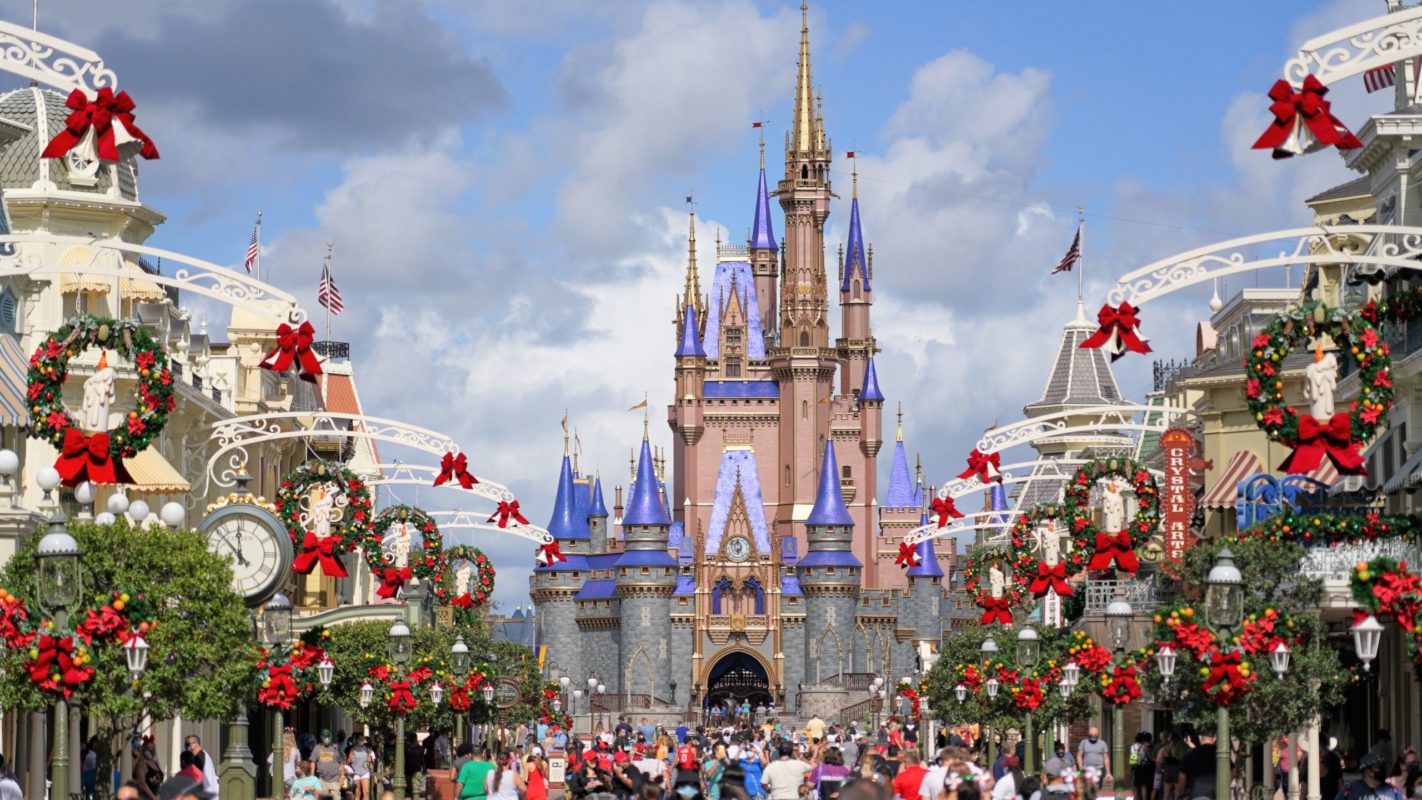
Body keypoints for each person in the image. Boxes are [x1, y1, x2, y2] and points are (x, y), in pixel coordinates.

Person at [1178, 732, 1218, 800]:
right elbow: (1231, 771)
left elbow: (1182, 776)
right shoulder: (1219, 754)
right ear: (1214, 739)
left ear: (1200, 738)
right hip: (1216, 794)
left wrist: (1182, 794)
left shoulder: (1190, 754)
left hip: (1196, 793)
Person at [311, 729, 344, 799]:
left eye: (328, 736)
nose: (326, 738)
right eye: (324, 737)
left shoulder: (336, 748)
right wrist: (312, 777)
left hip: (335, 779)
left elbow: (341, 763)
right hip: (322, 779)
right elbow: (313, 763)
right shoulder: (317, 748)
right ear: (321, 737)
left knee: (336, 798)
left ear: (331, 737)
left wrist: (342, 777)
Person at [349, 733, 376, 800]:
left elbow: (370, 763)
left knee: (366, 792)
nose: (362, 740)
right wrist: (351, 771)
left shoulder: (367, 749)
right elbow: (349, 762)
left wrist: (373, 773)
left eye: (363, 739)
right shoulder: (353, 749)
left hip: (365, 772)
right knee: (357, 793)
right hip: (356, 773)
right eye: (360, 739)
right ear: (357, 740)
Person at [1133, 731, 1156, 800]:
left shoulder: (1133, 746)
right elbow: (1149, 757)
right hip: (1144, 767)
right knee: (1143, 786)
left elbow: (1133, 759)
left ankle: (1135, 798)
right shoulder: (1145, 747)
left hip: (1136, 767)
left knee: (1136, 787)